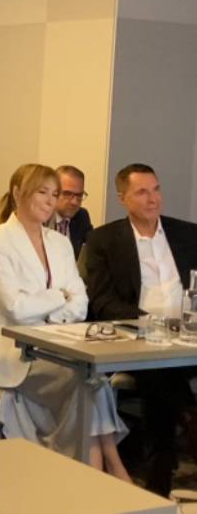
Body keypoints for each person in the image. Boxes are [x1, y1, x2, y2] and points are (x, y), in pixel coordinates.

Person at [0, 163, 129, 479]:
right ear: (18, 193)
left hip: (58, 344)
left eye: (54, 194)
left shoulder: (59, 242)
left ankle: (97, 472)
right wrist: (59, 296)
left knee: (91, 380)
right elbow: (14, 308)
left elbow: (80, 304)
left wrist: (46, 305)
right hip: (14, 351)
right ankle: (108, 471)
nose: (50, 201)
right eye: (43, 192)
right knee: (86, 381)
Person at [85, 163, 197, 493]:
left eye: (156, 189)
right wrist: (151, 322)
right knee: (158, 369)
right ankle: (175, 441)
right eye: (142, 192)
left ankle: (168, 453)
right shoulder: (104, 239)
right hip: (139, 336)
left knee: (165, 372)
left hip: (188, 334)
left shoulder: (188, 234)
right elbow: (102, 301)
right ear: (122, 198)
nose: (153, 199)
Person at [46, 164, 93, 259]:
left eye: (79, 195)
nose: (74, 202)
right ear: (54, 191)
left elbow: (91, 252)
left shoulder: (81, 216)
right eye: (67, 194)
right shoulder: (40, 217)